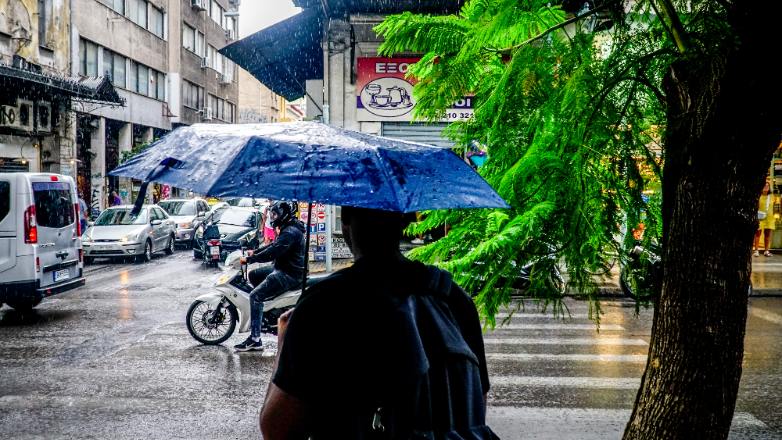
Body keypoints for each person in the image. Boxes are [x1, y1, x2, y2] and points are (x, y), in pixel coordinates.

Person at [259, 207, 492, 439]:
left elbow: (277, 429)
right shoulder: (453, 298)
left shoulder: (324, 304)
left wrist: (283, 344)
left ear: (346, 219)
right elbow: (475, 408)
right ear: (407, 219)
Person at [233, 201, 305, 352]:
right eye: (272, 214)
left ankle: (255, 339)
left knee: (255, 296)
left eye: (275, 214)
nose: (273, 217)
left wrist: (251, 259)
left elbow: (273, 252)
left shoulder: (290, 232)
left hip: (289, 274)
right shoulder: (288, 227)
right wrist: (255, 252)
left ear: (284, 214)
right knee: (253, 274)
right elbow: (273, 246)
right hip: (283, 268)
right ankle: (265, 310)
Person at [754, 180, 775, 257]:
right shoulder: (758, 196)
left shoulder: (772, 196)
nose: (766, 187)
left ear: (769, 188)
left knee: (767, 234)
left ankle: (766, 250)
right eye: (764, 185)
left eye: (767, 186)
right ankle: (756, 250)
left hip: (769, 218)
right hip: (759, 217)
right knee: (757, 234)